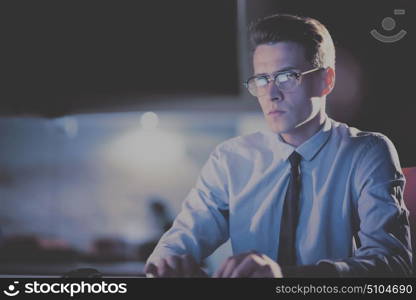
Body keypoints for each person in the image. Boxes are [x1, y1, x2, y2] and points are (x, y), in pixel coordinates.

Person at [144, 14, 412, 277]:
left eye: (287, 76)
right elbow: (182, 238)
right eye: (261, 79)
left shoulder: (366, 153)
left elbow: (394, 263)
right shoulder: (230, 158)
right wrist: (167, 263)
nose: (271, 94)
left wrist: (286, 278)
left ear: (326, 80)